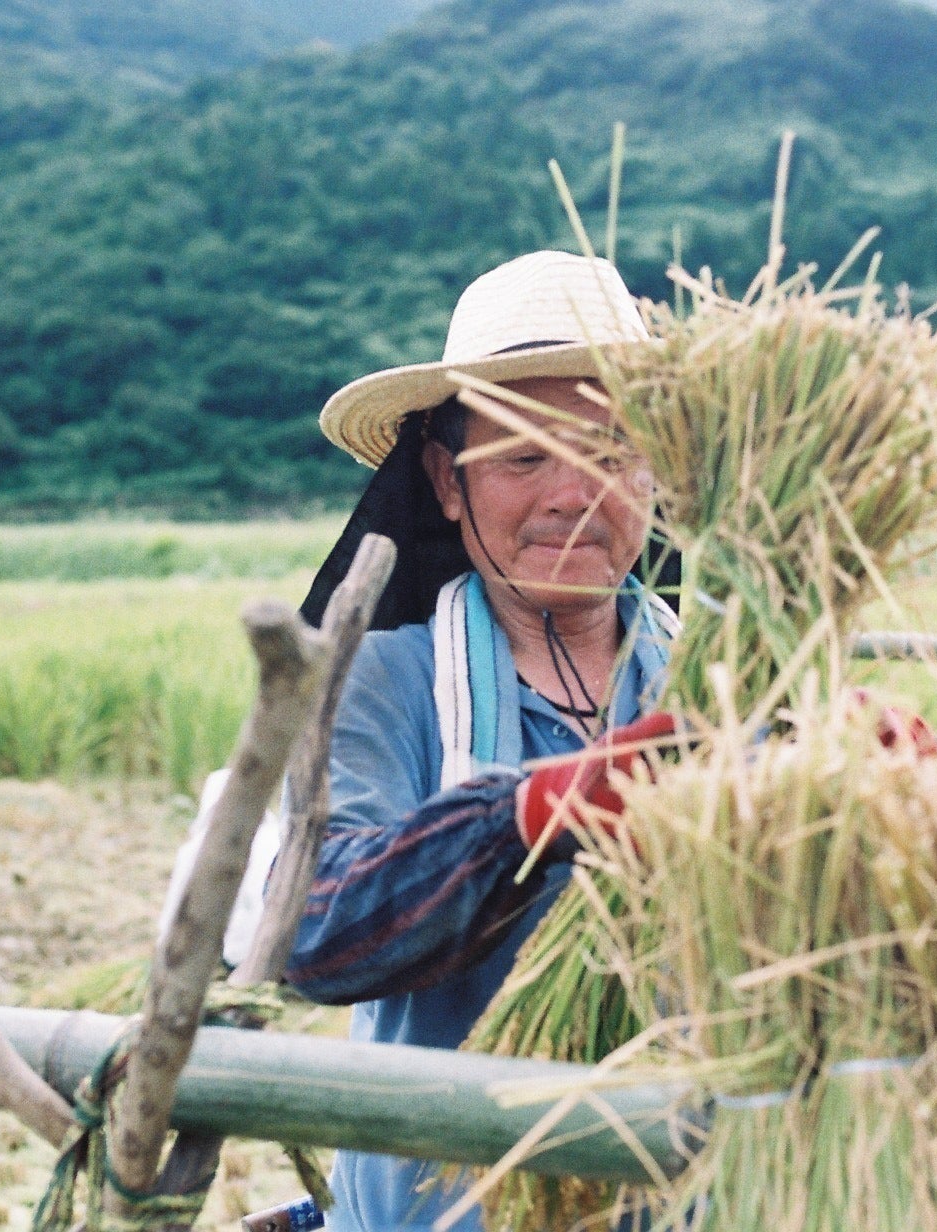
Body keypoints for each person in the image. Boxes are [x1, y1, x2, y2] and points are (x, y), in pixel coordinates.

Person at [282, 250, 677, 1232]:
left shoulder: (726, 674)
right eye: (523, 456)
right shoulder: (385, 681)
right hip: (443, 1206)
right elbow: (315, 933)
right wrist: (527, 813)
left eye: (612, 450)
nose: (573, 494)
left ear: (660, 471)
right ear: (444, 481)